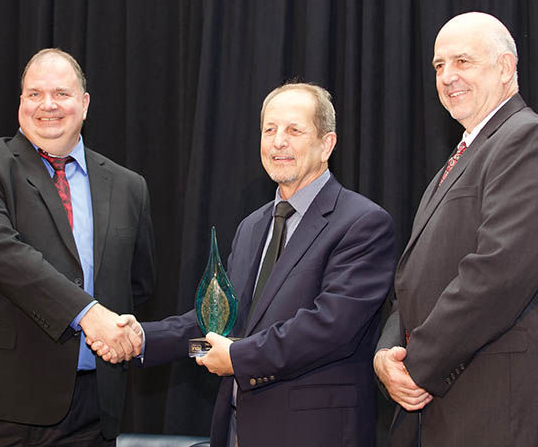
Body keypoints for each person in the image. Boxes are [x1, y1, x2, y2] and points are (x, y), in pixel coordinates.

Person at [97, 83, 395, 446]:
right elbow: (222, 324)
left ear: (326, 144)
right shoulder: (253, 227)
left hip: (316, 434)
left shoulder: (362, 223)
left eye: (294, 130)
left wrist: (236, 357)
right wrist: (144, 339)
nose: (278, 142)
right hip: (238, 430)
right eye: (269, 130)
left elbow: (329, 328)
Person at [374, 12, 538, 446]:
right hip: (442, 413)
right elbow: (410, 281)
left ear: (505, 68)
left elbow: (496, 278)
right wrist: (386, 355)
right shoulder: (457, 162)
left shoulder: (532, 142)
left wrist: (416, 365)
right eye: (438, 66)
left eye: (463, 62)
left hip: (499, 415)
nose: (448, 77)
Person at [0, 48, 154, 446]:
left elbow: (136, 287)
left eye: (61, 94)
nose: (47, 105)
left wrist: (117, 331)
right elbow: (4, 256)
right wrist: (89, 315)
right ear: (20, 103)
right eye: (34, 94)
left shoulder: (129, 186)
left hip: (89, 412)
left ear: (84, 104)